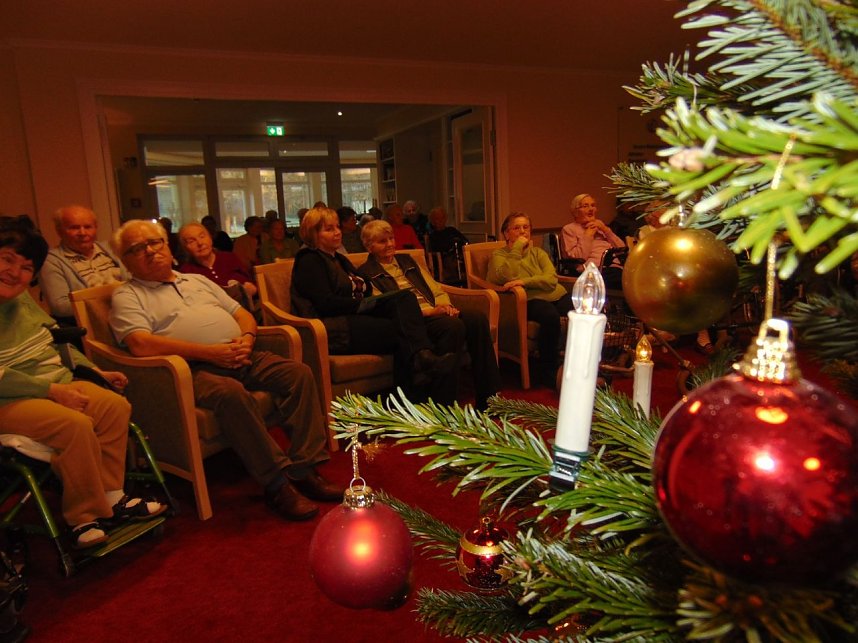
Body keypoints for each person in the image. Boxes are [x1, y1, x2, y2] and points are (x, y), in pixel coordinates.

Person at [109, 219, 342, 521]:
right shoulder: (128, 295)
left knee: (298, 373)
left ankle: (305, 468)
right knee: (232, 394)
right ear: (125, 261)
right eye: (138, 248)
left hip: (240, 353)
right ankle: (276, 484)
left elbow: (242, 314)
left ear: (168, 246)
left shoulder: (195, 281)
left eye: (156, 242)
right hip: (191, 368)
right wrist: (211, 353)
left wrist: (246, 339)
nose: (151, 251)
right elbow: (139, 343)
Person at [0, 215, 165, 549]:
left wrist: (95, 372)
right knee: (74, 425)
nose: (15, 272)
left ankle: (112, 495)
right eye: (6, 260)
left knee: (114, 406)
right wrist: (51, 391)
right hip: (10, 400)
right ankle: (83, 517)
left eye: (26, 267)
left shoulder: (20, 301)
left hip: (55, 384)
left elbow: (57, 340)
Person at [290, 207, 456, 392]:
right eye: (329, 229)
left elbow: (366, 287)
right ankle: (412, 385)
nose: (337, 232)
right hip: (331, 328)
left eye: (337, 227)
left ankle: (417, 373)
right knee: (402, 329)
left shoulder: (338, 259)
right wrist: (365, 304)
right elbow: (325, 304)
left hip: (353, 318)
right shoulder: (309, 260)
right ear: (313, 233)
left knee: (404, 300)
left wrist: (371, 302)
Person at [358, 220, 501, 410]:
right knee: (453, 327)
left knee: (476, 318)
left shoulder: (407, 260)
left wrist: (446, 306)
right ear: (369, 246)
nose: (390, 244)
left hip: (437, 311)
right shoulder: (367, 273)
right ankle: (444, 405)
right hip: (415, 322)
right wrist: (431, 311)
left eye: (391, 238)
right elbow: (387, 307)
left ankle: (489, 398)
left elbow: (436, 288)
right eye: (382, 241)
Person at [488, 212, 571, 388]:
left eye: (526, 227)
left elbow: (551, 280)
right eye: (516, 228)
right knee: (550, 316)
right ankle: (549, 370)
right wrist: (517, 248)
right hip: (526, 300)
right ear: (506, 233)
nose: (522, 231)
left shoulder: (538, 253)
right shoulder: (499, 255)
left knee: (580, 311)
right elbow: (505, 276)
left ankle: (579, 364)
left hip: (556, 294)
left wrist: (525, 281)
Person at [39, 205, 126, 325]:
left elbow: (134, 281)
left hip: (129, 315)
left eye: (88, 227)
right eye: (74, 228)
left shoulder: (111, 248)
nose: (82, 233)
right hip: (92, 326)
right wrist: (116, 298)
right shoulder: (50, 261)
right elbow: (60, 307)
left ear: (96, 228)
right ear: (59, 231)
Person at [177, 222, 258, 301]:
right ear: (185, 248)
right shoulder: (186, 272)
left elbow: (251, 284)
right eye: (191, 241)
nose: (200, 243)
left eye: (202, 236)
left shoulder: (229, 258)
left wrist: (251, 289)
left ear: (210, 238)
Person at [561, 194, 626, 289]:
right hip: (592, 271)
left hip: (614, 268)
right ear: (575, 212)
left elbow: (622, 249)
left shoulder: (600, 227)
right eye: (585, 206)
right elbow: (578, 258)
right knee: (626, 281)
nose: (591, 209)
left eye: (593, 205)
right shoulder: (569, 229)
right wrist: (588, 235)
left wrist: (606, 230)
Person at [426, 206, 469, 285]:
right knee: (452, 262)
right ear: (432, 221)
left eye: (442, 218)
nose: (440, 221)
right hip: (444, 259)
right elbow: (436, 250)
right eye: (437, 219)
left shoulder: (451, 230)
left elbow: (465, 241)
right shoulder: (433, 235)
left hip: (458, 255)